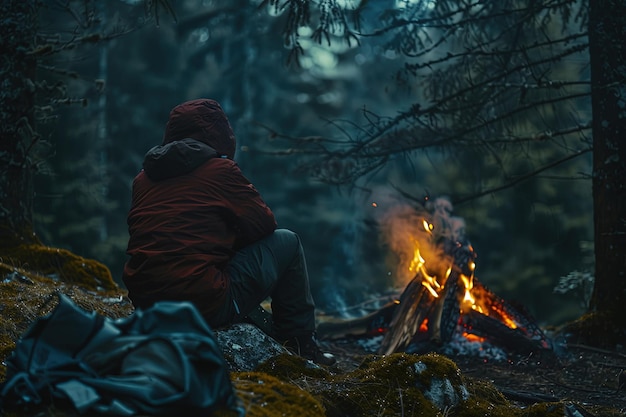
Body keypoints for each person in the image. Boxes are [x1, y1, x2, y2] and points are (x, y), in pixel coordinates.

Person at [122, 98, 335, 366]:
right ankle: (302, 346)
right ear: (219, 133)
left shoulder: (142, 179)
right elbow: (263, 225)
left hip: (148, 307)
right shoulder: (220, 171)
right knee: (287, 242)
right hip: (202, 304)